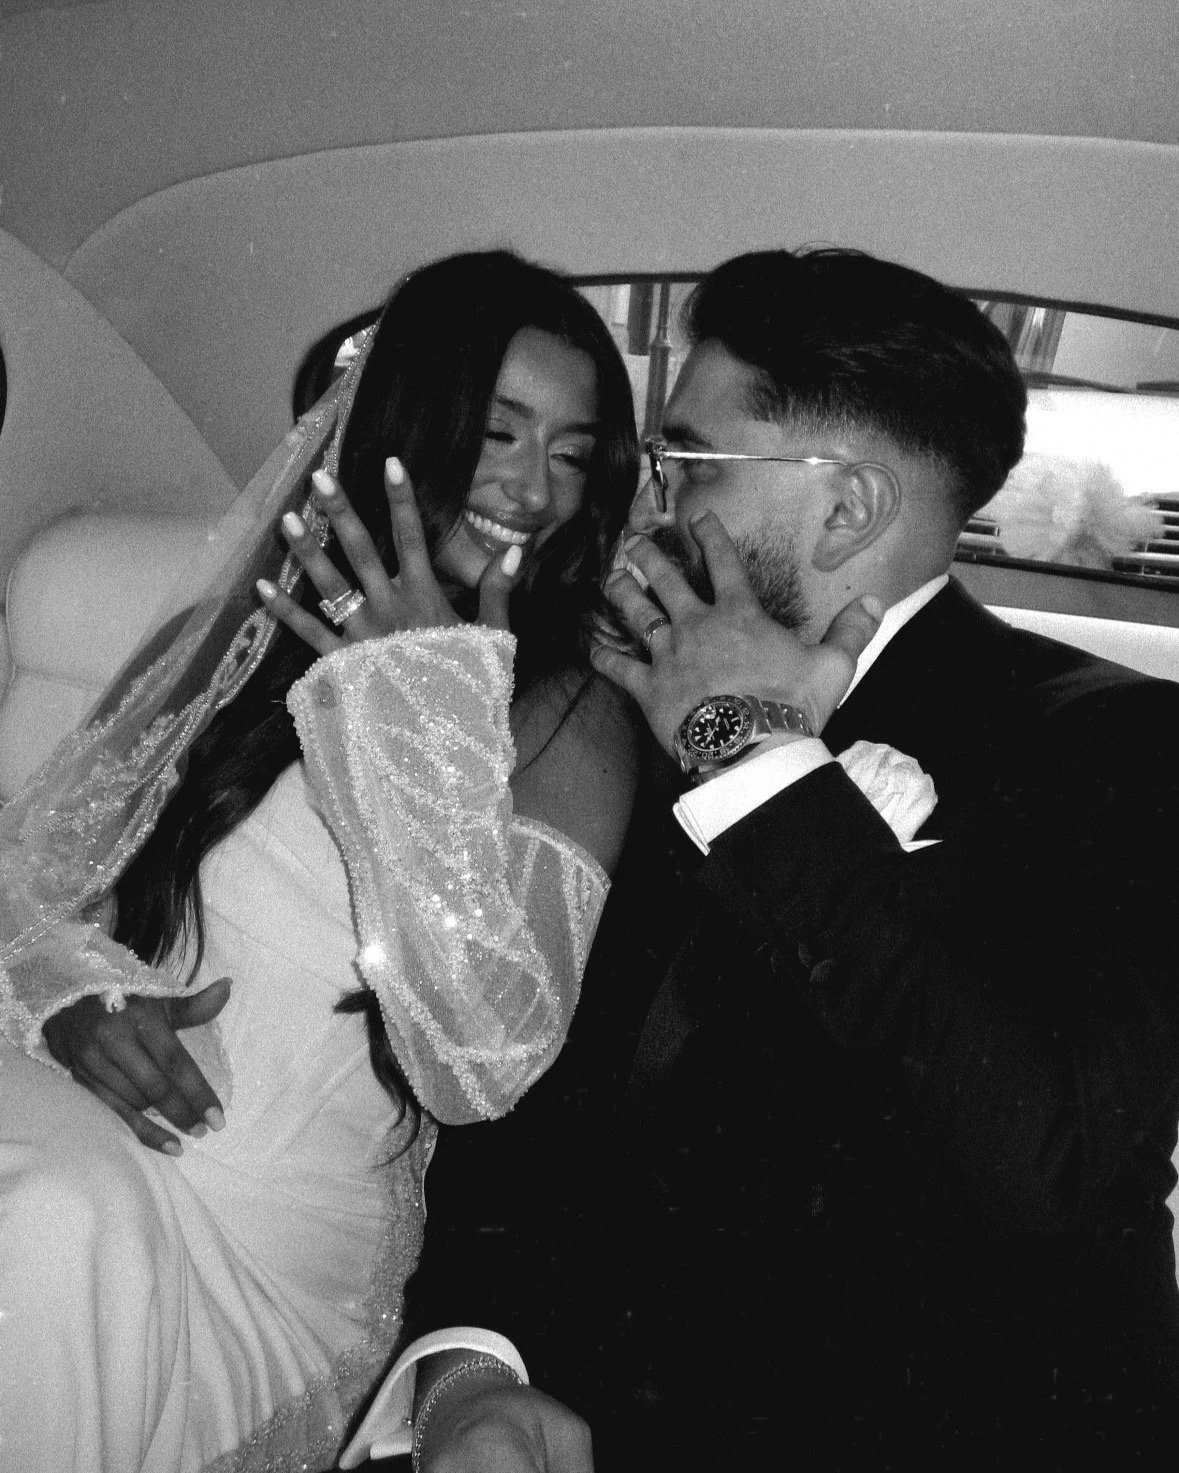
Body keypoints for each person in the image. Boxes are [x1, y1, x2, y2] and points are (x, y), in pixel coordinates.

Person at [379, 248, 1179, 1470]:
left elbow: (1047, 1154)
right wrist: (469, 1369)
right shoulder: (621, 705)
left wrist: (752, 756)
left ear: (846, 506)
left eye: (687, 464)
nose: (654, 506)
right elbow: (533, 1088)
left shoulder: (1114, 744)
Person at [0, 249, 639, 1472]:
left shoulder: (568, 715)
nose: (533, 488)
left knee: (49, 1223)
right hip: (77, 1108)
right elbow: (29, 875)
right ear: (408, 422)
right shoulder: (221, 640)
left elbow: (479, 1057)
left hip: (269, 1234)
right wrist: (69, 997)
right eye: (498, 432)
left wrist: (413, 704)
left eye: (570, 451)